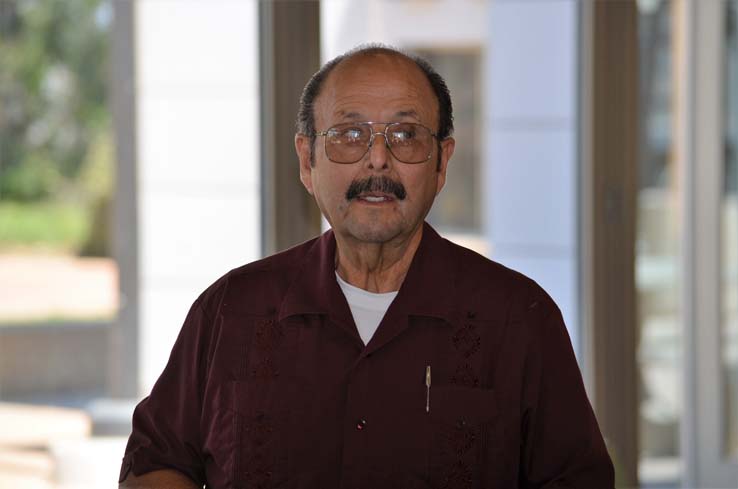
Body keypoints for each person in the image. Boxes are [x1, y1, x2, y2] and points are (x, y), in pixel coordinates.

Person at [119, 45, 614, 489]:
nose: (378, 160)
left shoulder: (518, 320)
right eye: (349, 134)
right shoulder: (231, 312)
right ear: (306, 161)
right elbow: (154, 463)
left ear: (442, 163)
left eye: (405, 134)